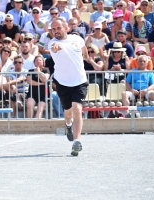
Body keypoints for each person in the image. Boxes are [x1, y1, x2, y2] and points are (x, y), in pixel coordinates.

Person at [49, 17, 89, 156]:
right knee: (68, 113)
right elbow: (55, 48)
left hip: (80, 81)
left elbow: (84, 52)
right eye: (53, 29)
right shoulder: (52, 43)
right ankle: (68, 125)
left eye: (58, 28)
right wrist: (56, 47)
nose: (56, 31)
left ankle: (76, 142)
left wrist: (85, 57)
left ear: (66, 28)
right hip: (63, 83)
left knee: (77, 109)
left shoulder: (77, 39)